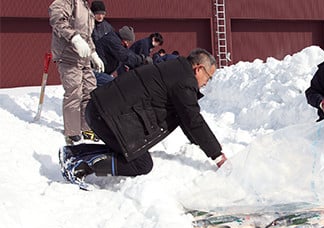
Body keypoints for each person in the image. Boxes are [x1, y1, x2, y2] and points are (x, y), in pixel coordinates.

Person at [59, 48, 227, 185]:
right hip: (107, 115)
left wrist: (197, 143)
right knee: (141, 163)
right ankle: (80, 164)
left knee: (130, 153)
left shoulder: (175, 70)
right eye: (208, 77)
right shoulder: (184, 80)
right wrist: (217, 155)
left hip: (101, 109)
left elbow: (184, 117)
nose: (206, 83)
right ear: (198, 69)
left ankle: (74, 153)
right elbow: (193, 119)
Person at [49, 0, 105, 144]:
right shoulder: (66, 2)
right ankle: (72, 132)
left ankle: (87, 128)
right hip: (68, 56)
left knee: (90, 92)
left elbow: (87, 36)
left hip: (84, 58)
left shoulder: (86, 8)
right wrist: (74, 37)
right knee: (74, 93)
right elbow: (57, 19)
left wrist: (94, 54)